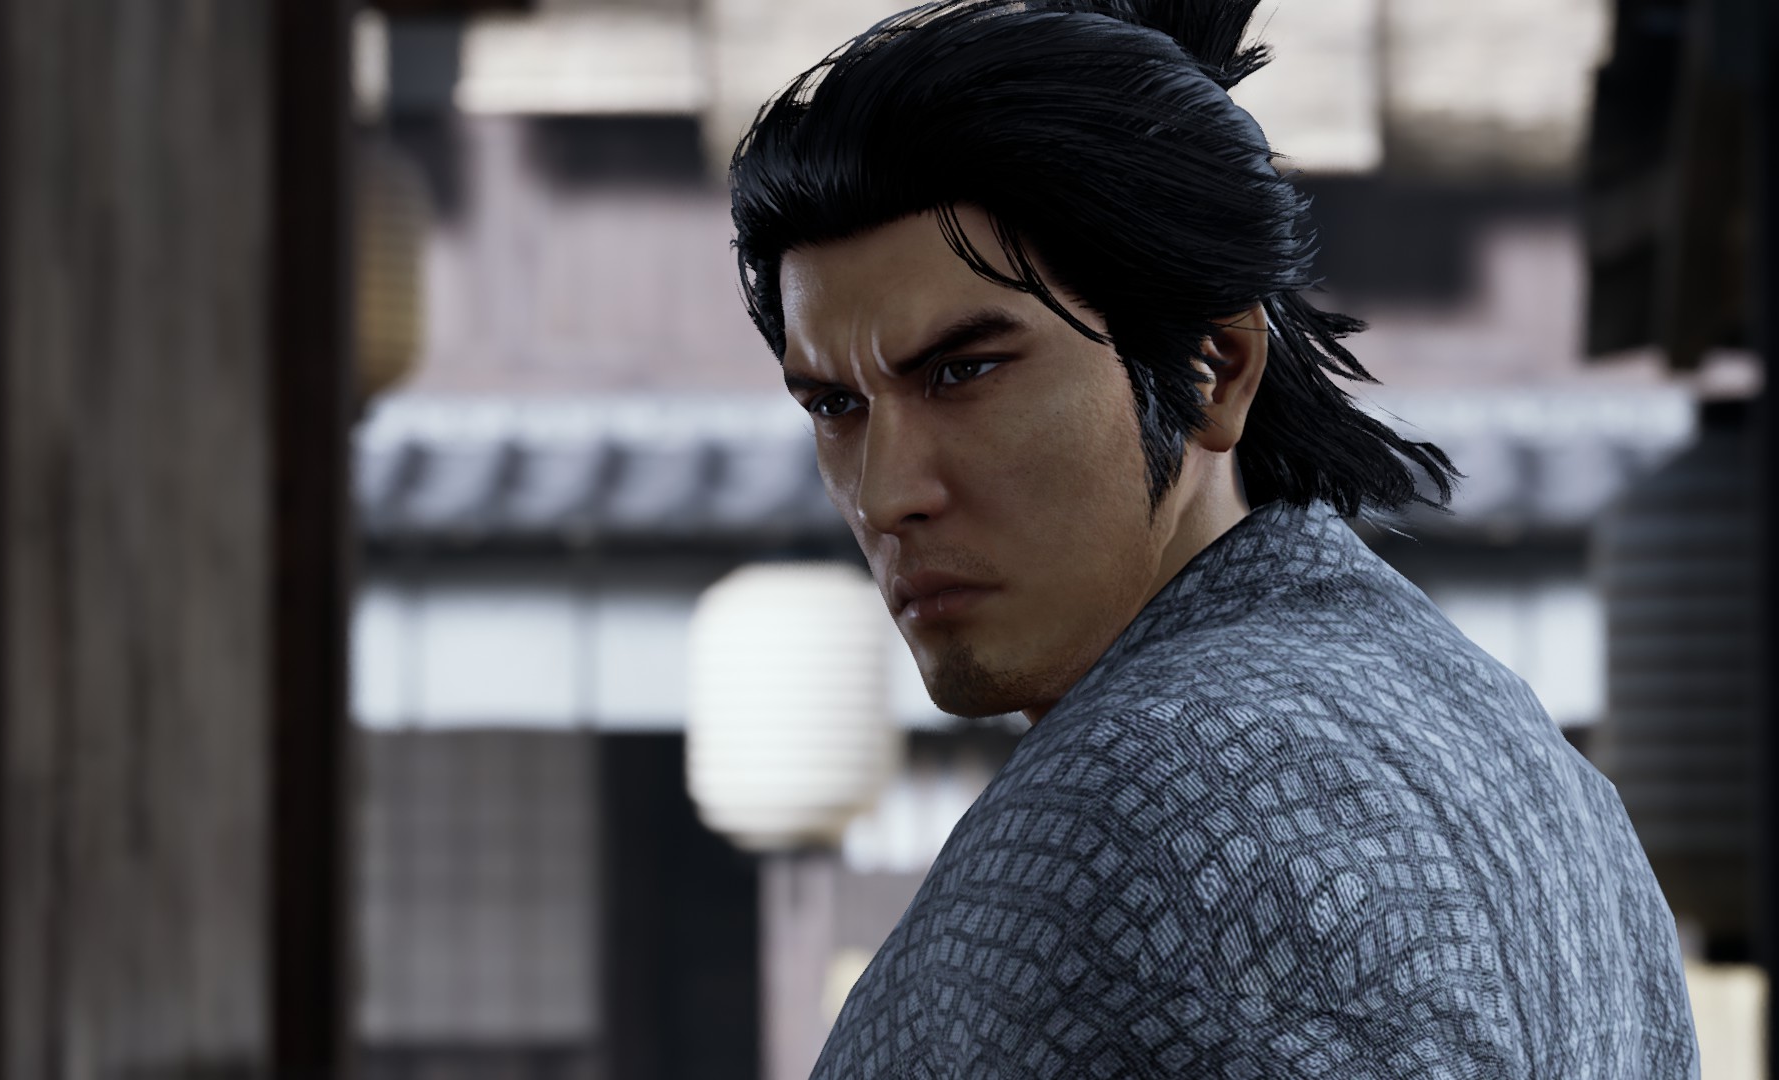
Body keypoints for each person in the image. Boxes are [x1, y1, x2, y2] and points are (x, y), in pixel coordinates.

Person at [728, 1, 1702, 1075]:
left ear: (1214, 368)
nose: (886, 493)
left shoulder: (1142, 797)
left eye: (964, 372)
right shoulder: (1527, 758)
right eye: (835, 406)